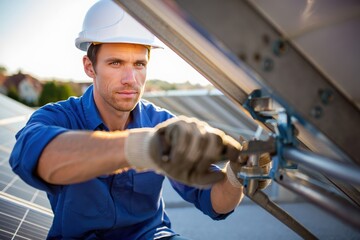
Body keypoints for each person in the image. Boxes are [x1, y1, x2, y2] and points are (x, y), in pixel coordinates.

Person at [9, 1, 271, 239]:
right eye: (115, 63)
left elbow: (214, 201)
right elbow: (32, 156)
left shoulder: (162, 124)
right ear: (90, 67)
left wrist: (236, 177)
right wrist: (143, 147)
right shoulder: (60, 117)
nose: (130, 79)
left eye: (138, 64)